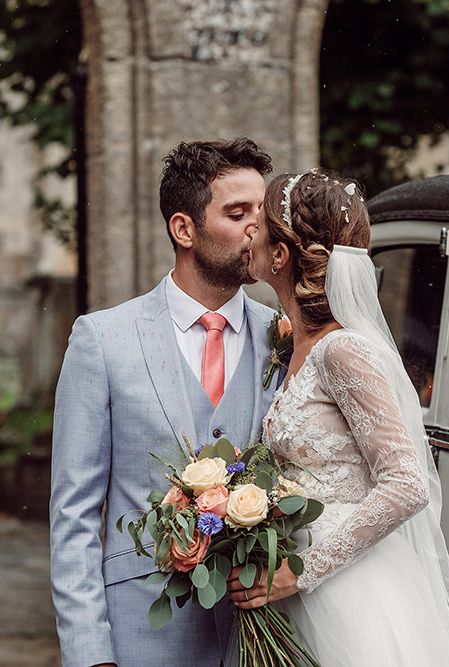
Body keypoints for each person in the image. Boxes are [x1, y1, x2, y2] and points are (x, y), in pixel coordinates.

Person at [227, 170, 449, 666]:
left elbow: (407, 483)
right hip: (300, 586)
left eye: (257, 223)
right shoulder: (292, 345)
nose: (248, 231)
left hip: (349, 591)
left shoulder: (343, 351)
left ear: (281, 257)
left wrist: (301, 571)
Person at [50, 137, 279, 667]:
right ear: (184, 229)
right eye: (237, 212)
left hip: (257, 638)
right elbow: (74, 513)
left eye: (261, 214)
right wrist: (91, 655)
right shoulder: (102, 340)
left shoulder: (285, 339)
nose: (257, 229)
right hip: (141, 633)